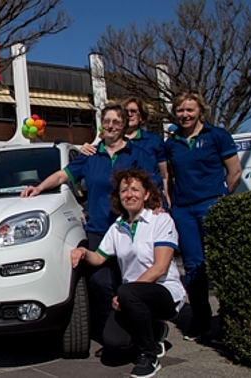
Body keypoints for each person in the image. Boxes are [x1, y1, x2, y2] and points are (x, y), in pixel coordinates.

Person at [21, 103, 152, 346]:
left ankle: (141, 331)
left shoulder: (137, 155)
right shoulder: (91, 154)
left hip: (129, 228)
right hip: (99, 230)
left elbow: (150, 187)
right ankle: (108, 332)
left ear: (124, 126)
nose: (111, 126)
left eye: (116, 121)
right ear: (102, 126)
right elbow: (63, 175)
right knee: (100, 283)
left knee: (132, 282)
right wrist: (38, 187)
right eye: (107, 121)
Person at [70, 169, 185, 378]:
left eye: (135, 189)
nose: (129, 194)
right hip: (131, 298)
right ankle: (154, 330)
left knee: (129, 293)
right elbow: (99, 257)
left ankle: (149, 356)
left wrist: (124, 293)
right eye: (124, 190)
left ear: (147, 194)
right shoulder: (118, 227)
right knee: (114, 343)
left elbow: (160, 268)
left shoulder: (161, 220)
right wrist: (83, 252)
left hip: (163, 292)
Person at [164, 91, 241, 341]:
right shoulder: (171, 143)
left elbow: (234, 172)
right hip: (184, 210)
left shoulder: (217, 136)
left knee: (222, 262)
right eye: (180, 110)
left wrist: (219, 198)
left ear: (200, 112)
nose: (185, 115)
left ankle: (231, 319)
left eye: (190, 110)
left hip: (212, 204)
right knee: (194, 266)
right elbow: (169, 177)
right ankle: (201, 320)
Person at [79, 97, 170, 205]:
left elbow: (164, 175)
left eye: (134, 111)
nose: (129, 114)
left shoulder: (154, 140)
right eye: (126, 112)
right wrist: (83, 148)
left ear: (142, 117)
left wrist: (166, 198)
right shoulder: (109, 137)